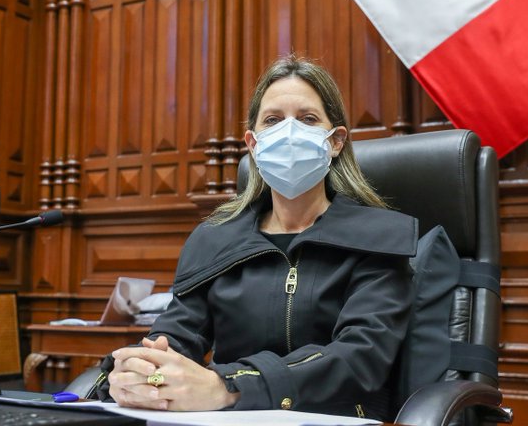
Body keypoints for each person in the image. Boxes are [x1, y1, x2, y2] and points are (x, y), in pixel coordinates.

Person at [97, 55, 417, 420]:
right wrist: (134, 372)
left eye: (308, 119)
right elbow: (174, 339)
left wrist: (228, 386)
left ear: (336, 141)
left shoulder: (377, 238)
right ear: (253, 143)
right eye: (273, 120)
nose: (290, 132)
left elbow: (360, 357)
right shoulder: (215, 241)